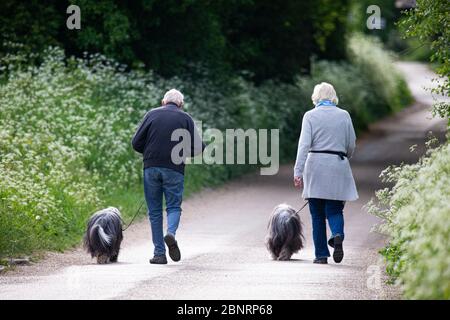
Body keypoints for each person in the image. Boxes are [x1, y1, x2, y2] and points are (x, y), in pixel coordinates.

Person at [132, 89, 204, 264]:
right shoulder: (185, 118)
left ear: (163, 102)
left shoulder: (151, 114)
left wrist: (150, 152)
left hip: (151, 166)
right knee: (173, 207)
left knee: (154, 212)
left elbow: (136, 142)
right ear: (180, 104)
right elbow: (199, 147)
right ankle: (170, 233)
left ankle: (159, 254)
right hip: (174, 168)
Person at [293, 82, 358, 264]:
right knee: (335, 209)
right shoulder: (344, 115)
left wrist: (298, 171)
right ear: (333, 96)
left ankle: (321, 255)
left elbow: (304, 146)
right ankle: (337, 235)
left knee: (317, 214)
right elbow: (351, 143)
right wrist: (345, 156)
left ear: (316, 97)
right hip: (338, 164)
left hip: (315, 166)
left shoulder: (310, 116)